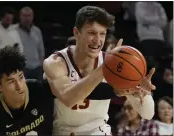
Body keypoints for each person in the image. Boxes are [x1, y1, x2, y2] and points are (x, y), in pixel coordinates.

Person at [43, 6, 156, 135]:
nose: (98, 40)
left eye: (102, 33)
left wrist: (145, 95)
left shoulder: (114, 64)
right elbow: (69, 98)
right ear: (76, 33)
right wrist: (105, 68)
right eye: (91, 33)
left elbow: (147, 114)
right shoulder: (56, 63)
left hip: (98, 131)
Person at [0, 46, 118, 135]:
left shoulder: (38, 90)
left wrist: (117, 90)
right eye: (11, 82)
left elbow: (80, 90)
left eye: (20, 77)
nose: (20, 86)